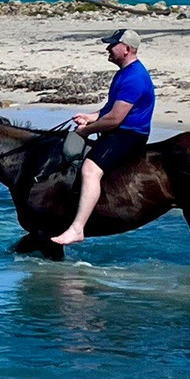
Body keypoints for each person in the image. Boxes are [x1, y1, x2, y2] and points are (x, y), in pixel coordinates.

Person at [51, 29, 155, 246]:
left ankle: (77, 229)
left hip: (128, 135)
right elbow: (109, 109)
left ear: (126, 49)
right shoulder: (124, 72)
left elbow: (115, 119)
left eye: (112, 45)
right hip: (118, 130)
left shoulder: (134, 78)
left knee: (90, 169)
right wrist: (90, 117)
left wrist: (87, 130)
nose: (108, 48)